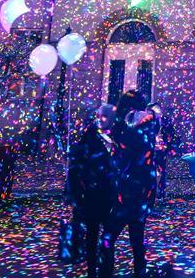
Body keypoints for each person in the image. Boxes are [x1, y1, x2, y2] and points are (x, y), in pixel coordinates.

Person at [99, 91, 160, 278]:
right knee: (137, 236)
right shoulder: (151, 125)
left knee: (108, 237)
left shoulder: (127, 131)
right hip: (144, 190)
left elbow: (124, 151)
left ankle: (105, 272)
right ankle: (139, 271)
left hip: (127, 192)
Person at [68, 104, 116, 278]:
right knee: (92, 235)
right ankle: (91, 271)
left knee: (108, 238)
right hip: (92, 194)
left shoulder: (117, 137)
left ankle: (106, 271)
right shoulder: (90, 137)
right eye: (99, 115)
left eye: (105, 116)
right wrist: (76, 195)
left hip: (110, 195)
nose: (101, 119)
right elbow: (76, 167)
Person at [155, 111, 176, 200]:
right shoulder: (150, 122)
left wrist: (166, 146)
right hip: (152, 149)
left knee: (162, 171)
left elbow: (171, 134)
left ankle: (162, 191)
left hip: (161, 151)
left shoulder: (166, 122)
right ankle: (154, 191)